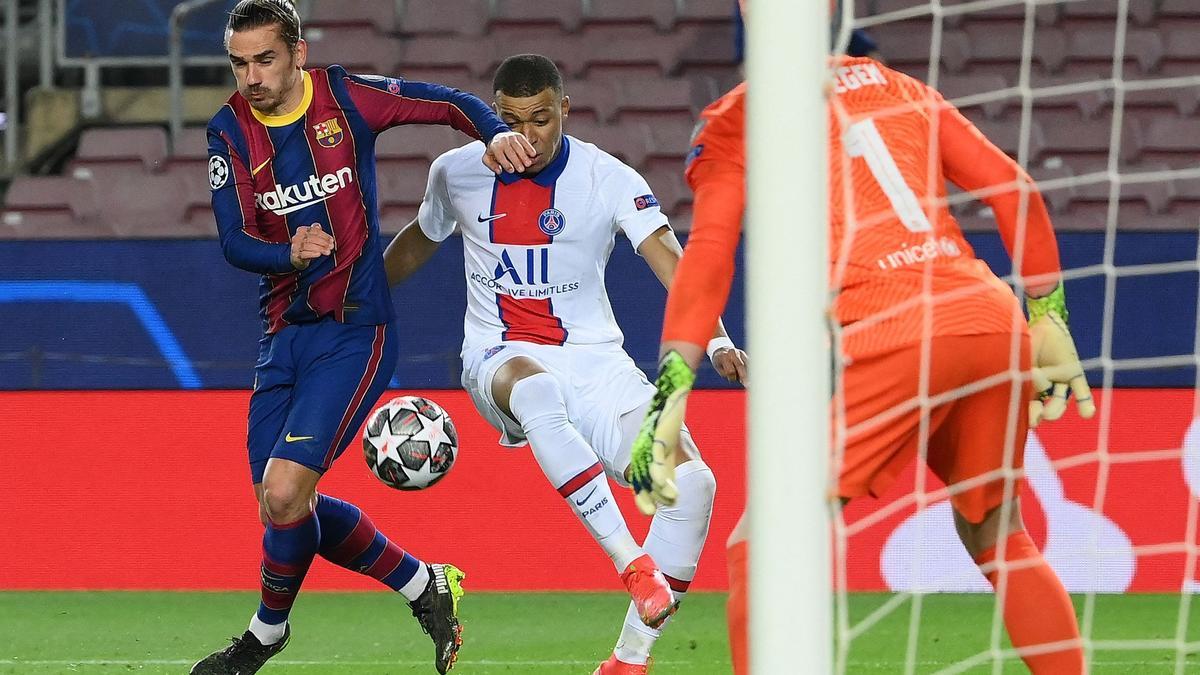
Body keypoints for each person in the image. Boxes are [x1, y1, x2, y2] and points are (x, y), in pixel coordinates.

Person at [630, 41, 1095, 675]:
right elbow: (1013, 187)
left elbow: (709, 255)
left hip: (890, 328)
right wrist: (1047, 313)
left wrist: (671, 390)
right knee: (997, 533)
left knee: (760, 547)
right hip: (988, 314)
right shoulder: (898, 86)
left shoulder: (738, 114)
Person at [193, 2, 535, 674]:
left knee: (288, 493)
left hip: (354, 328)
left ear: (298, 51)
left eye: (265, 58)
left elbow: (448, 102)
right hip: (281, 336)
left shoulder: (346, 98)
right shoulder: (229, 129)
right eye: (240, 62)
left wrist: (493, 132)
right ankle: (424, 582)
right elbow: (233, 238)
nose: (252, 76)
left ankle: (263, 636)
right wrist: (287, 254)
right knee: (281, 505)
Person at [382, 54, 748, 675]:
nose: (528, 135)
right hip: (499, 358)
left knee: (693, 487)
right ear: (494, 114)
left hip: (597, 362)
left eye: (542, 119)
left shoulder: (607, 177)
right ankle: (632, 564)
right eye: (513, 119)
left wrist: (715, 342)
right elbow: (422, 236)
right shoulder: (456, 172)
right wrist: (353, 295)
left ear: (565, 110)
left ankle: (630, 661)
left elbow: (670, 258)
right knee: (537, 392)